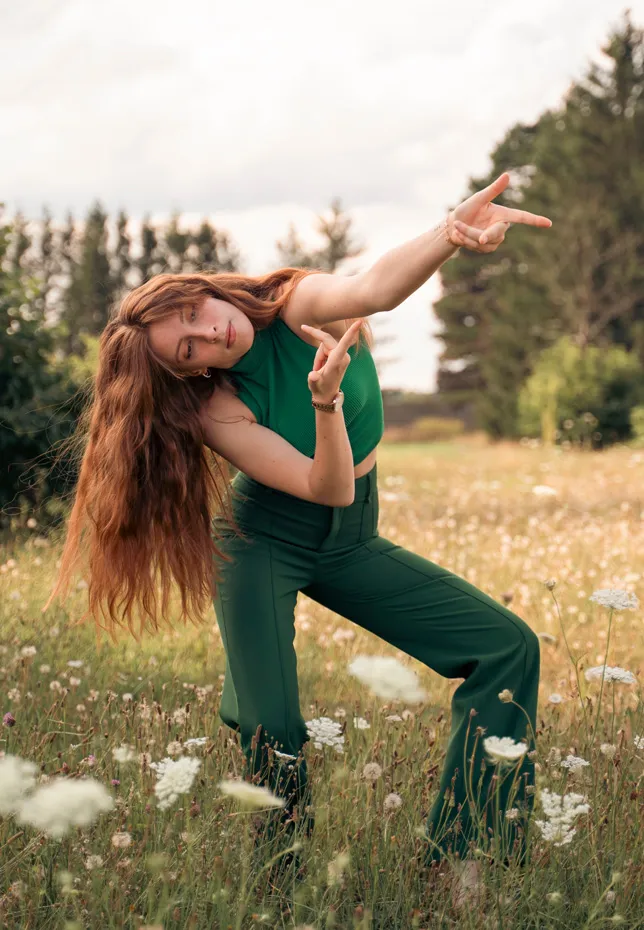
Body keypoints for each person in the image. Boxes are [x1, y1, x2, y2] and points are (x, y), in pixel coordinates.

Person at [45, 173, 551, 901]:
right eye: (189, 350)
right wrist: (326, 403)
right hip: (264, 543)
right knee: (276, 736)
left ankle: (460, 863)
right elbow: (324, 484)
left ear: (206, 287)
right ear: (191, 374)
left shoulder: (294, 303)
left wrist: (450, 233)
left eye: (195, 312)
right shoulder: (217, 408)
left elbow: (375, 288)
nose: (210, 333)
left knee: (507, 646)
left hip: (349, 540)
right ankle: (278, 895)